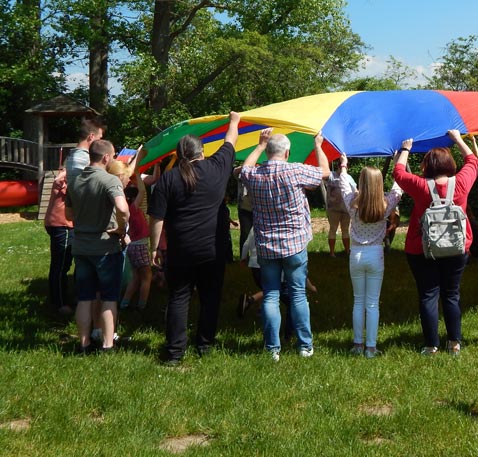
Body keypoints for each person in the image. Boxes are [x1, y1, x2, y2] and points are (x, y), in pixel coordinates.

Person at [148, 111, 240, 364]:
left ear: (178, 155)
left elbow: (157, 218)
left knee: (179, 297)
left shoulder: (169, 178)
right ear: (202, 151)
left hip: (181, 250)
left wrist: (154, 248)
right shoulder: (217, 167)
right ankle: (205, 345)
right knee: (211, 296)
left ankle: (175, 352)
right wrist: (234, 121)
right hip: (213, 249)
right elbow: (230, 141)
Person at [240, 128, 330, 361]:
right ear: (287, 153)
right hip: (294, 245)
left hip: (267, 246)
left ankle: (272, 349)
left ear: (267, 152)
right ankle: (305, 346)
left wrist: (259, 146)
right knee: (298, 294)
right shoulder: (296, 171)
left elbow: (244, 170)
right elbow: (325, 172)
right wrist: (318, 145)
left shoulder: (255, 174)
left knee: (270, 295)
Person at [393, 130, 478, 355]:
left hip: (422, 248)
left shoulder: (420, 186)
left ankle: (431, 345)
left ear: (427, 166)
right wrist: (458, 139)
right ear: (450, 164)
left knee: (428, 294)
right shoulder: (461, 183)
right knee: (451, 293)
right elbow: (472, 160)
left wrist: (405, 149)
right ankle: (454, 342)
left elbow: (398, 173)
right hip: (457, 247)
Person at [65, 139, 129, 354]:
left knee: (84, 297)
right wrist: (121, 228)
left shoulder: (74, 180)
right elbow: (123, 208)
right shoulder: (110, 180)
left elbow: (68, 214)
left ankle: (83, 344)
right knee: (109, 297)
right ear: (106, 157)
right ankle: (108, 345)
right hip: (105, 247)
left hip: (81, 246)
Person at [338, 153, 403, 358]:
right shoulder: (386, 205)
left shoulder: (353, 204)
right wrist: (398, 160)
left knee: (358, 301)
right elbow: (398, 186)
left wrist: (344, 165)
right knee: (372, 303)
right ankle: (371, 348)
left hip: (356, 253)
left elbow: (342, 182)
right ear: (378, 183)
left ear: (361, 183)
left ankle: (358, 345)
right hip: (376, 254)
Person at [107, 152, 152, 311]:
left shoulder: (126, 207)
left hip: (132, 245)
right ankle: (143, 305)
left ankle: (125, 303)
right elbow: (142, 191)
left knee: (135, 277)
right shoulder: (133, 208)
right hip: (140, 245)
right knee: (147, 276)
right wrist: (138, 174)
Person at [44, 165, 74, 316]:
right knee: (60, 265)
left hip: (58, 224)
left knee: (61, 264)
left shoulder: (66, 178)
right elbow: (58, 179)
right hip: (62, 225)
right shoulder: (62, 180)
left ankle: (59, 299)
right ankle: (60, 303)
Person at [322, 164, 356, 257]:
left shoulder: (348, 177)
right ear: (338, 167)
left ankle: (347, 251)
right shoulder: (331, 175)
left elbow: (355, 191)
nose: (342, 168)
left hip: (345, 209)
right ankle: (332, 252)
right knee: (333, 229)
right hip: (334, 209)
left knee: (345, 229)